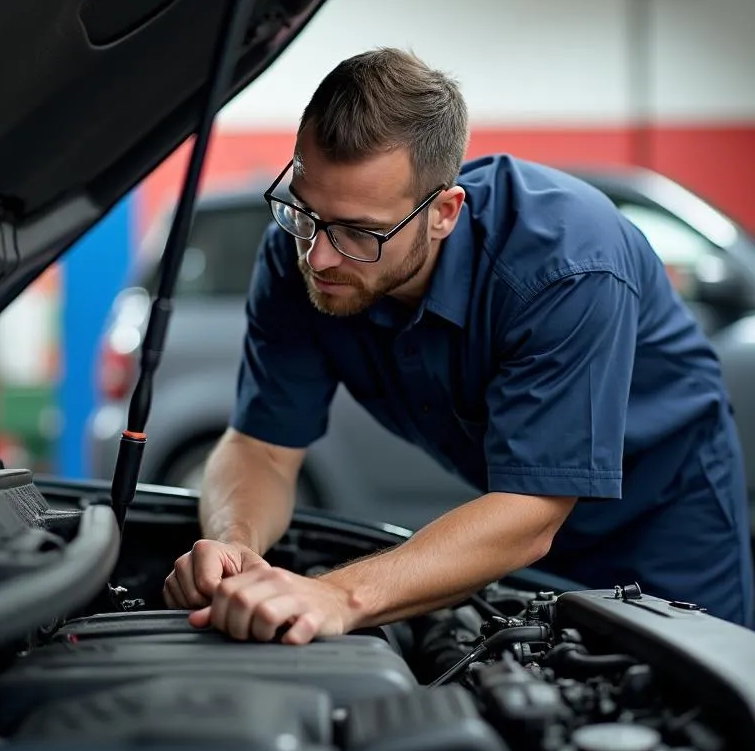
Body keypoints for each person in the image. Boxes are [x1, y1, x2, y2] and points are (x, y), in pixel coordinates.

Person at [163, 47, 754, 639]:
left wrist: (338, 596)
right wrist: (234, 545)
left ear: (444, 212)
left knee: (693, 710)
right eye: (305, 212)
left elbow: (530, 512)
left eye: (358, 233)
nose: (318, 255)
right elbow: (261, 449)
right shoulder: (298, 260)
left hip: (666, 520)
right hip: (500, 532)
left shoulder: (566, 265)